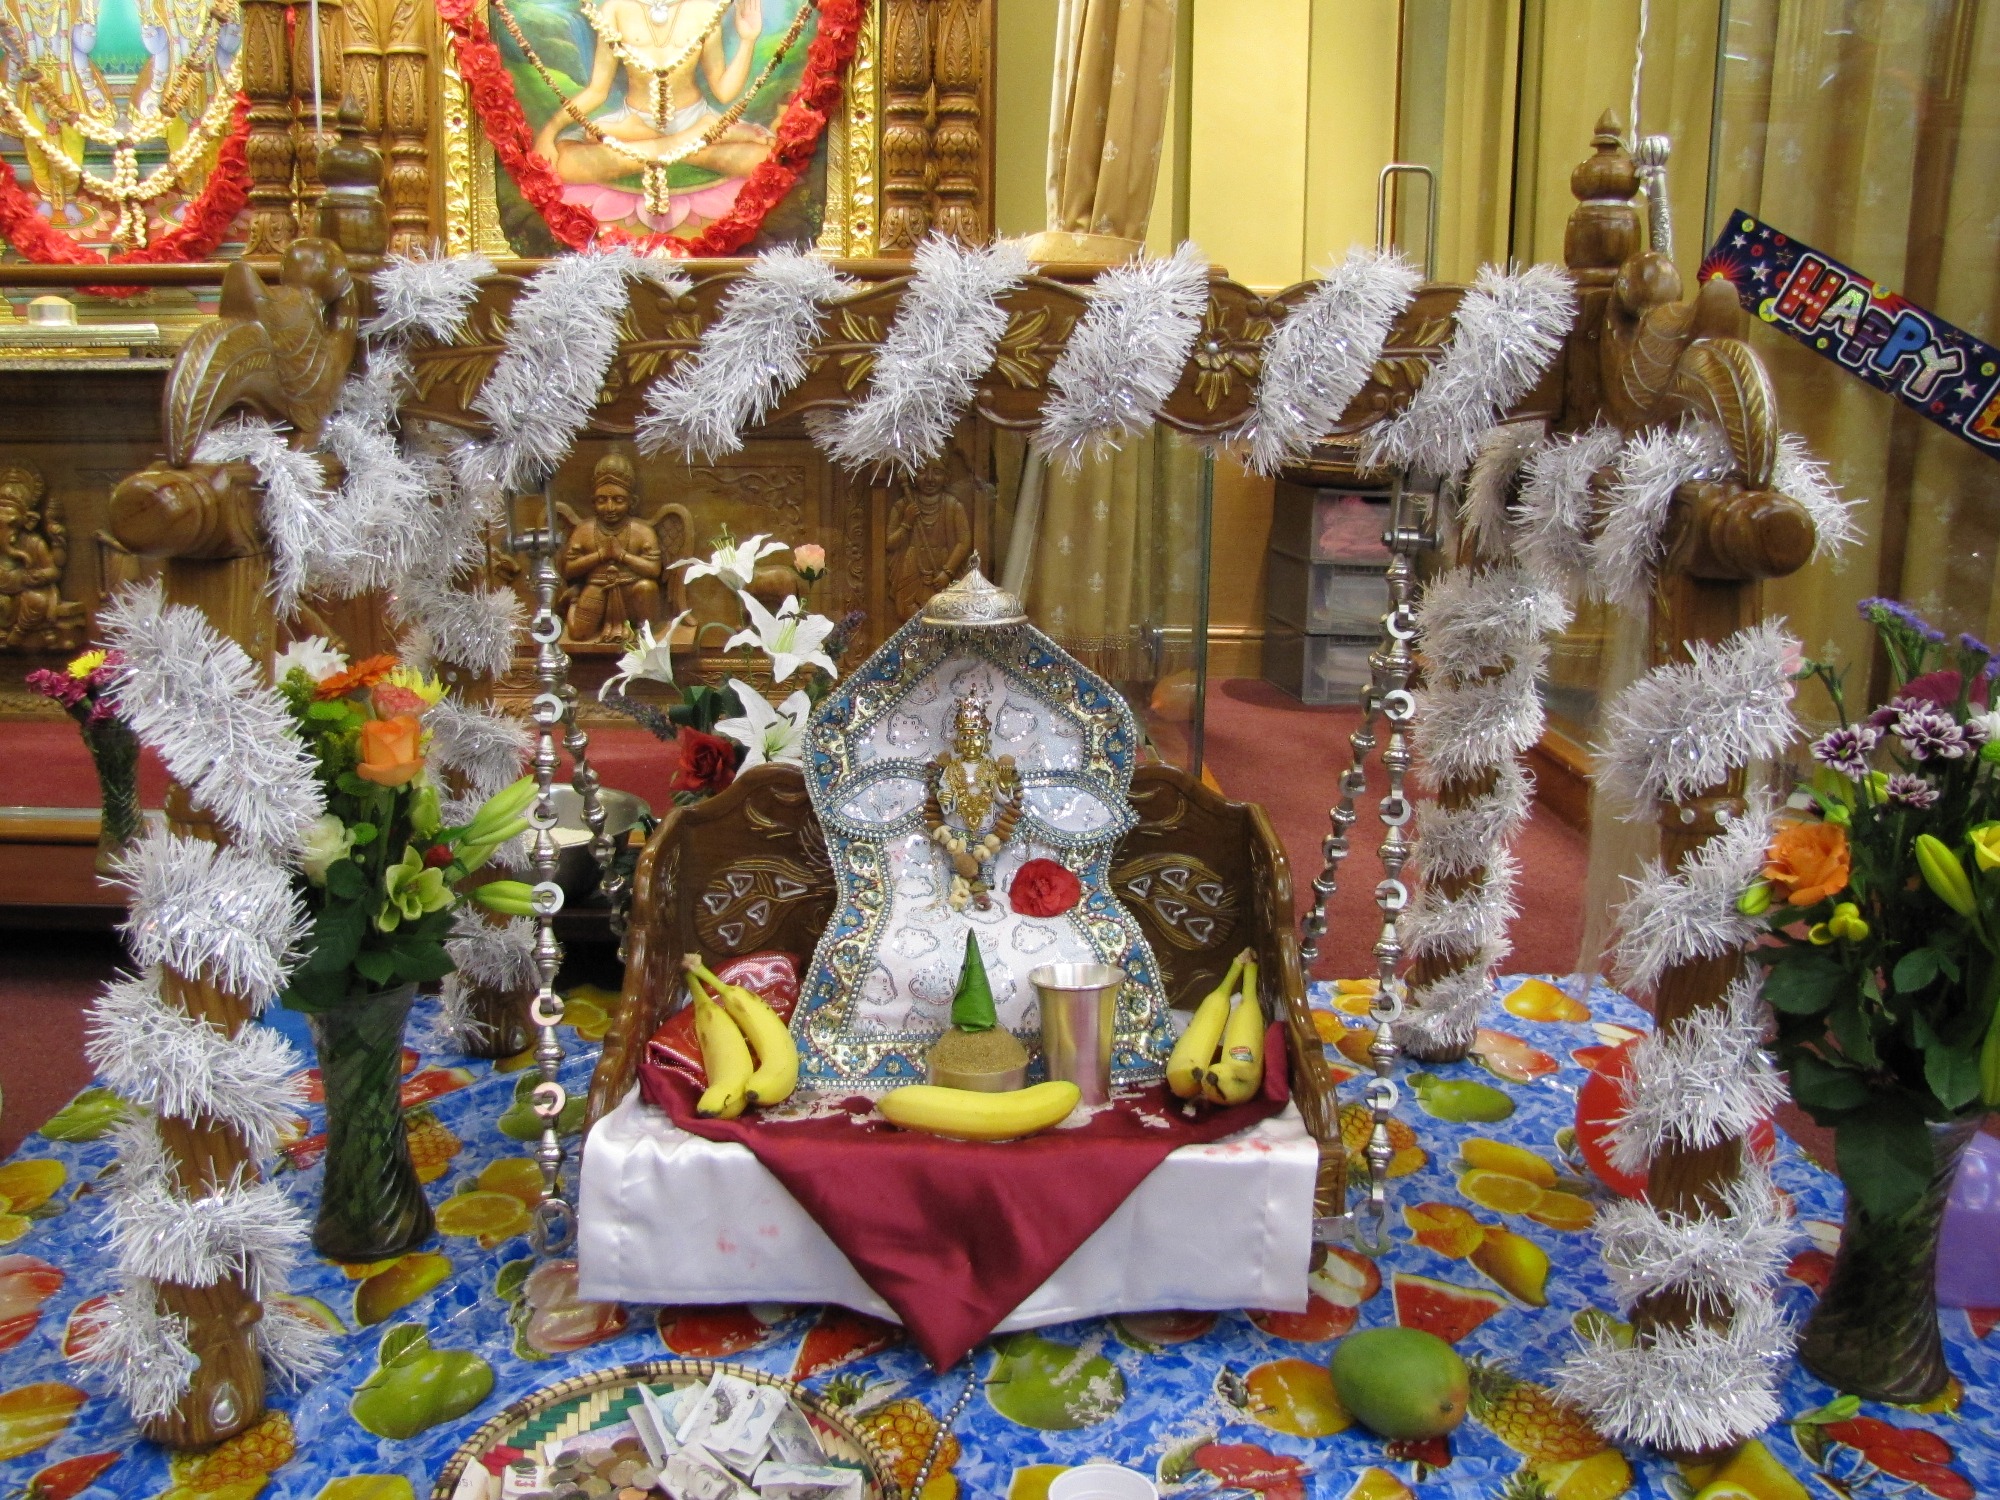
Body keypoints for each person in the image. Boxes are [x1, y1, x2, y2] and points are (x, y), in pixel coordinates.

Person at [532, 0, 776, 196]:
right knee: (566, 165)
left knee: (766, 161)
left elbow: (723, 91)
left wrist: (748, 39)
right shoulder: (616, 8)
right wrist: (549, 131)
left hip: (692, 116)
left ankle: (665, 137)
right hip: (634, 119)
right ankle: (698, 137)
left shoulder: (704, 9)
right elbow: (598, 90)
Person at [560, 453, 665, 642]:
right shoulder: (584, 530)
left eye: (618, 500)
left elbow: (654, 569)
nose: (610, 508)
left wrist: (621, 555)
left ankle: (643, 630)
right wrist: (601, 555)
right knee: (578, 634)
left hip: (632, 592)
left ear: (632, 502)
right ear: (593, 502)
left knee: (647, 588)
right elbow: (569, 569)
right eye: (602, 500)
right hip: (597, 588)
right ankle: (574, 601)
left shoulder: (642, 531)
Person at [885, 459, 973, 622]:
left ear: (947, 477)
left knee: (946, 611)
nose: (930, 478)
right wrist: (906, 523)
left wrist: (947, 572)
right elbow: (890, 543)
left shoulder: (953, 506)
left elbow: (964, 542)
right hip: (911, 567)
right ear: (912, 476)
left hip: (942, 567)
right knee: (906, 612)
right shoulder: (902, 506)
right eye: (922, 471)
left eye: (937, 472)